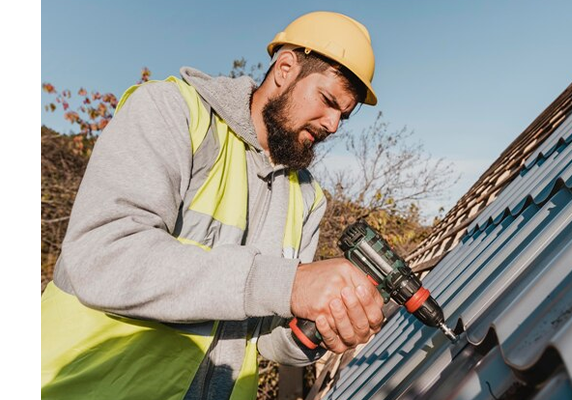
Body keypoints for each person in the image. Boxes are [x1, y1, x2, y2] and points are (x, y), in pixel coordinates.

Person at [41, 11, 384, 400]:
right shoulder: (172, 112)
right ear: (286, 68)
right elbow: (103, 257)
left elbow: (268, 339)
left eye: (344, 114)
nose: (333, 125)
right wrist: (288, 283)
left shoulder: (306, 196)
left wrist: (319, 328)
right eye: (327, 100)